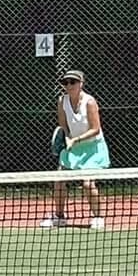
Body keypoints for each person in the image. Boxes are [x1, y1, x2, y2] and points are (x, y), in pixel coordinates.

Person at [42, 69, 109, 229]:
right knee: (59, 180)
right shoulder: (62, 101)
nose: (69, 85)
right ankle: (59, 217)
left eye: (73, 82)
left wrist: (76, 140)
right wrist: (67, 139)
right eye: (66, 83)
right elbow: (63, 126)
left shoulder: (90, 102)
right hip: (72, 145)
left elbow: (96, 129)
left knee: (87, 184)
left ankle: (98, 217)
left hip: (92, 148)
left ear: (81, 84)